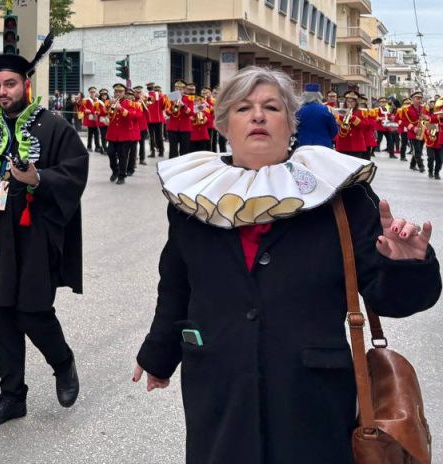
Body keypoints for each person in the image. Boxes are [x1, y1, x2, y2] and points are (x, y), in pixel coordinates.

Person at [132, 66, 440, 464]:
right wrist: (158, 354)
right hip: (220, 389)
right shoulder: (195, 198)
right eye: (244, 107)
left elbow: (393, 299)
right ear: (224, 124)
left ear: (290, 123)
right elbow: (176, 285)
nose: (258, 115)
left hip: (313, 395)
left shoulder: (341, 194)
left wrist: (408, 264)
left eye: (271, 107)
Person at [0, 37, 87, 427]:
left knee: (33, 312)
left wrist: (38, 177)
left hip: (33, 237)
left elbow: (76, 171)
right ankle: (12, 396)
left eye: (11, 84)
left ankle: (63, 362)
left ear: (26, 84)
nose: (3, 91)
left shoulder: (53, 126)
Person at [105, 82, 138, 184]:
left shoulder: (130, 103)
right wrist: (109, 105)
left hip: (125, 134)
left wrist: (122, 109)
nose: (118, 93)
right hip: (112, 134)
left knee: (123, 155)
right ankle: (115, 170)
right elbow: (102, 113)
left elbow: (133, 116)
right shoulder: (109, 102)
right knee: (110, 152)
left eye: (120, 91)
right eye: (116, 91)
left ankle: (122, 176)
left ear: (124, 92)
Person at [294, 83, 338, 148]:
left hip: (303, 145)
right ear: (319, 96)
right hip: (323, 145)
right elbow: (334, 130)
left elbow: (294, 129)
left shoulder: (298, 110)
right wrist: (326, 137)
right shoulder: (327, 109)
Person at [399, 91, 429, 172]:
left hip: (422, 131)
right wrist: (413, 128)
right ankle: (421, 166)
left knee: (418, 149)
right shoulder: (406, 109)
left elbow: (429, 117)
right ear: (413, 99)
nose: (419, 100)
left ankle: (412, 165)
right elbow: (404, 121)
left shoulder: (424, 108)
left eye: (420, 98)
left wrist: (427, 117)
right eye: (417, 98)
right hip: (413, 132)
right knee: (417, 150)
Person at [166, 80, 193, 158]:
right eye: (177, 89)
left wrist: (184, 106)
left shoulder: (189, 98)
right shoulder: (171, 98)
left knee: (184, 151)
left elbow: (191, 113)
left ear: (184, 90)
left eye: (180, 89)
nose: (178, 91)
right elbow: (167, 113)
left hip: (185, 128)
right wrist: (174, 106)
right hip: (173, 127)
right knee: (173, 151)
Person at [423, 102, 443, 180]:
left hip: (441, 143)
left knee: (440, 160)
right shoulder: (432, 117)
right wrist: (434, 129)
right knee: (431, 158)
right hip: (431, 142)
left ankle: (437, 172)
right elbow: (425, 125)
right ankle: (430, 171)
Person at [146, 84, 167, 158]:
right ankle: (161, 151)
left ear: (147, 88)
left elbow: (148, 106)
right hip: (158, 118)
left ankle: (153, 152)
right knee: (159, 136)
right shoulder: (160, 96)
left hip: (150, 119)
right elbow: (164, 106)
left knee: (151, 137)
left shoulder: (147, 95)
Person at [80, 87, 103, 154]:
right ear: (89, 93)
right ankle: (89, 146)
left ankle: (97, 147)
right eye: (91, 92)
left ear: (96, 93)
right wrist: (85, 110)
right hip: (90, 120)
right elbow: (81, 109)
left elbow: (101, 109)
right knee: (90, 134)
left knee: (96, 134)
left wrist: (98, 112)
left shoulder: (98, 101)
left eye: (94, 92)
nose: (93, 93)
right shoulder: (85, 100)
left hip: (96, 120)